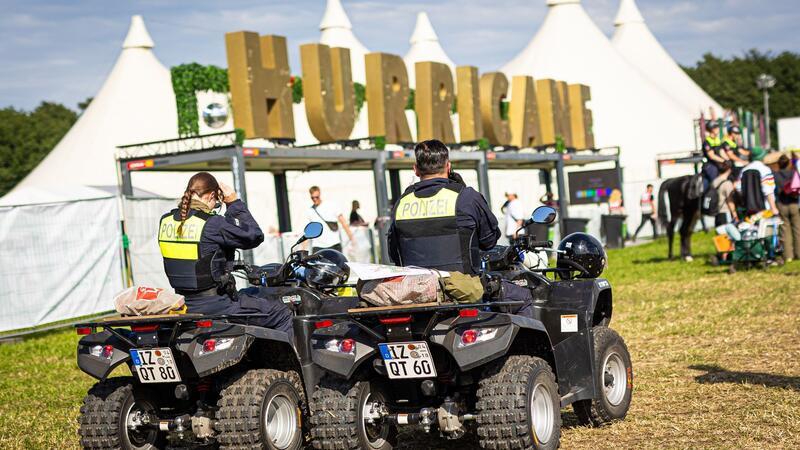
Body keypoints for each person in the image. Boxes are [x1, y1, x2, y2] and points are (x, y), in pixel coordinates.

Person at [387, 140, 534, 317]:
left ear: (416, 169)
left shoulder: (402, 203)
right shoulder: (465, 197)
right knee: (523, 298)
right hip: (462, 293)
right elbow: (489, 241)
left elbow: (395, 254)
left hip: (415, 294)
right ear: (448, 166)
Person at [158, 172, 293, 337]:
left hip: (185, 303)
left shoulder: (166, 221)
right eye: (216, 201)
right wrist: (233, 202)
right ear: (213, 195)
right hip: (218, 305)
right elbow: (254, 235)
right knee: (282, 313)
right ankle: (292, 363)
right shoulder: (212, 223)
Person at [306, 186, 355, 253]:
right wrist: (304, 248)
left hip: (334, 244)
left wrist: (352, 238)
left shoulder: (331, 205)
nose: (315, 199)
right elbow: (308, 231)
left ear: (320, 194)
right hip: (318, 246)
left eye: (316, 197)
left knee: (339, 263)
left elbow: (343, 222)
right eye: (312, 198)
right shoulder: (310, 211)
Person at [736, 146, 779, 217]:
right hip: (764, 210)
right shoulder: (765, 169)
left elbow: (738, 188)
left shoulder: (743, 170)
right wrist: (773, 208)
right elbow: (768, 190)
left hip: (748, 210)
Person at [773, 154, 800, 261]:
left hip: (781, 203)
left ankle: (788, 255)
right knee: (797, 229)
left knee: (785, 230)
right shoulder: (794, 173)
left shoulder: (775, 175)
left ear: (778, 164)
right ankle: (799, 253)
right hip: (793, 203)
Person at [701, 122, 728, 190]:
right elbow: (711, 156)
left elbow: (721, 152)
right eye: (717, 128)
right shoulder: (707, 142)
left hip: (719, 164)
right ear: (712, 129)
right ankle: (709, 197)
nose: (718, 129)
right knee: (715, 182)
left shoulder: (717, 140)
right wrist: (723, 160)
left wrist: (728, 160)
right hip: (711, 165)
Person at [712, 161, 737, 226]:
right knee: (727, 235)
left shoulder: (714, 181)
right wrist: (734, 215)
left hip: (717, 213)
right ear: (729, 170)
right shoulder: (727, 183)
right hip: (725, 212)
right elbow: (730, 200)